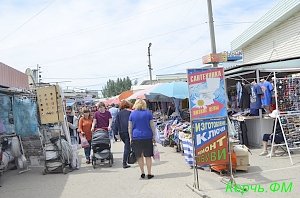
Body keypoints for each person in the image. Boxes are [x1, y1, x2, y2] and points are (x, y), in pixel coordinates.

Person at [129, 99, 156, 179]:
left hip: (136, 137)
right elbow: (152, 126)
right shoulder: (148, 114)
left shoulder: (132, 115)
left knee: (139, 156)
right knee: (148, 156)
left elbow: (130, 127)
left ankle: (142, 172)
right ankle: (149, 173)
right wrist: (154, 136)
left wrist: (131, 137)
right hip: (147, 136)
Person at [115, 100, 132, 169]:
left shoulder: (118, 114)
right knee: (127, 147)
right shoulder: (130, 113)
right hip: (128, 131)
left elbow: (116, 124)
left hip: (121, 132)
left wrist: (116, 133)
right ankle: (124, 162)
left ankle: (128, 159)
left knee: (127, 145)